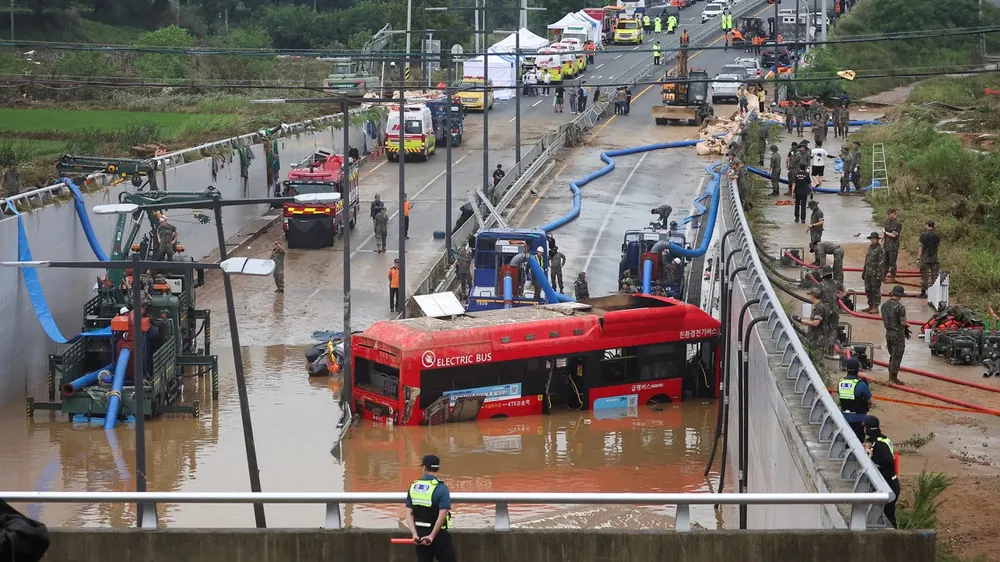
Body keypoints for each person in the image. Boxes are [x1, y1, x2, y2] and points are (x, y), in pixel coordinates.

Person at [405, 454, 456, 562]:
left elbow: (409, 513)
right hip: (439, 536)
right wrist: (431, 536)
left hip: (419, 535)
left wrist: (414, 534)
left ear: (424, 468)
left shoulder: (414, 486)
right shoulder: (441, 488)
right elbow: (442, 516)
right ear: (437, 468)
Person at [864, 417, 900, 528]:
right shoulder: (881, 439)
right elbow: (872, 443)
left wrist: (871, 458)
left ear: (868, 429)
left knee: (888, 516)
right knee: (886, 513)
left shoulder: (880, 445)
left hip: (889, 485)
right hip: (891, 483)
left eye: (865, 427)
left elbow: (889, 461)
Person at [793, 287, 838, 355]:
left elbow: (816, 323)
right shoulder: (819, 306)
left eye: (810, 295)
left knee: (816, 360)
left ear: (812, 296)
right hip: (815, 339)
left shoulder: (819, 308)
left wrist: (801, 320)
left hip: (817, 341)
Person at [880, 285, 910, 385]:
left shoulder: (884, 305)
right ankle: (893, 378)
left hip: (888, 333)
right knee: (897, 356)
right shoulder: (900, 307)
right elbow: (903, 323)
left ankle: (891, 376)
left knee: (892, 355)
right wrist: (906, 327)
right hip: (898, 334)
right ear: (900, 295)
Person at [838, 357, 874, 440]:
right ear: (858, 370)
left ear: (847, 369)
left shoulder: (840, 383)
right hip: (859, 420)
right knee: (859, 443)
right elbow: (870, 402)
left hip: (844, 419)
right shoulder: (861, 385)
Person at [862, 232, 886, 314]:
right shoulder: (870, 248)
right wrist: (864, 271)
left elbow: (881, 263)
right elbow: (867, 260)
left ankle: (876, 306)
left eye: (873, 239)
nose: (872, 240)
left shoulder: (880, 249)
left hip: (875, 273)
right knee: (868, 289)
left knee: (875, 290)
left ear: (877, 239)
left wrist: (879, 275)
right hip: (868, 272)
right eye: (871, 239)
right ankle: (871, 305)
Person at [917, 220, 940, 298]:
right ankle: (936, 294)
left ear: (927, 225)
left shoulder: (923, 235)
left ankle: (923, 293)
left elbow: (921, 247)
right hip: (934, 258)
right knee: (935, 277)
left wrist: (918, 258)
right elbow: (937, 245)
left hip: (925, 258)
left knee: (924, 277)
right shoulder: (937, 235)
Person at [881, 208, 902, 281]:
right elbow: (885, 231)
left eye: (889, 214)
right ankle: (883, 276)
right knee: (885, 261)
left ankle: (892, 277)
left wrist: (885, 233)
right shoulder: (887, 221)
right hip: (886, 245)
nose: (888, 216)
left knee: (892, 262)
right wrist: (882, 240)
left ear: (894, 213)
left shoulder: (897, 223)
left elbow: (894, 235)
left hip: (893, 245)